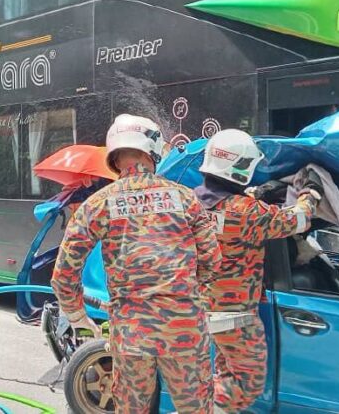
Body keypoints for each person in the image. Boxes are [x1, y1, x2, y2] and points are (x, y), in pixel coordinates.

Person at [51, 114, 222, 414]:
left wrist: (77, 316)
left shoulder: (99, 203)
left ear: (114, 156)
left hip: (131, 335)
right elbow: (211, 258)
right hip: (184, 329)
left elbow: (65, 271)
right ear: (152, 150)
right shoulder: (186, 198)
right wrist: (199, 301)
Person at [194, 129, 322, 413]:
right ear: (241, 167)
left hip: (205, 309)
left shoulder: (190, 203)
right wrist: (311, 193)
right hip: (235, 316)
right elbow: (298, 219)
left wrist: (253, 195)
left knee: (225, 376)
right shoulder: (246, 212)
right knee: (247, 383)